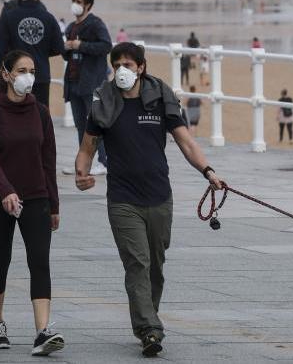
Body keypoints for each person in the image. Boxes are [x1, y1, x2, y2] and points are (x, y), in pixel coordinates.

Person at [74, 42, 225, 357]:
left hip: (159, 197)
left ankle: (147, 319)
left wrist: (209, 172)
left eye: (129, 65)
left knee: (155, 265)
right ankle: (150, 330)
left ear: (141, 67)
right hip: (122, 199)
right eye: (117, 66)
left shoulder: (160, 99)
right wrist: (82, 173)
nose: (122, 71)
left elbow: (185, 142)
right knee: (137, 263)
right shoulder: (104, 101)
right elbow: (88, 146)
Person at [0, 50, 65, 356]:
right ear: (7, 74)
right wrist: (5, 191)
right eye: (22, 70)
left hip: (36, 196)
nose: (28, 76)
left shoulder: (40, 113)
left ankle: (42, 332)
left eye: (32, 70)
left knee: (40, 262)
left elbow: (48, 159)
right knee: (0, 262)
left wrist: (54, 204)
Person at [61, 0, 112, 175]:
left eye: (79, 2)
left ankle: (104, 162)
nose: (75, 5)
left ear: (88, 4)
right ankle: (84, 161)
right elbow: (67, 56)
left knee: (96, 123)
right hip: (73, 82)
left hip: (91, 82)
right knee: (80, 124)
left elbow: (106, 45)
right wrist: (66, 48)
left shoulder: (96, 24)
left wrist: (81, 45)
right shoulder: (70, 28)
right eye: (73, 0)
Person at [0, 0, 63, 107]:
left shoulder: (9, 16)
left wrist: (1, 71)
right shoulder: (48, 17)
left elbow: (0, 46)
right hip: (40, 74)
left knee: (14, 114)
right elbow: (59, 47)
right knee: (40, 116)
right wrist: (42, 52)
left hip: (15, 74)